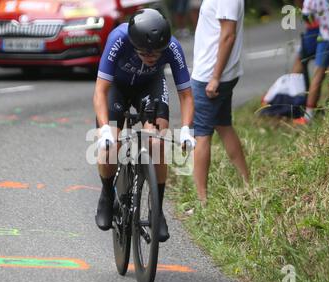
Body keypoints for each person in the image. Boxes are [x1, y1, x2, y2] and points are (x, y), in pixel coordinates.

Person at [93, 8, 196, 242]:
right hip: (117, 89)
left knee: (157, 143)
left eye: (156, 53)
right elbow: (100, 90)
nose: (151, 57)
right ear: (133, 41)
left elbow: (186, 95)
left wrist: (188, 129)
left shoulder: (173, 47)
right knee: (110, 147)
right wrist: (104, 128)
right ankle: (107, 194)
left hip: (150, 87)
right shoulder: (118, 39)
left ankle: (157, 211)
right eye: (144, 52)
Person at [191, 0, 249, 205]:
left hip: (210, 76)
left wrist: (215, 77)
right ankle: (247, 184)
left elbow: (228, 35)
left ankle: (202, 200)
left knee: (201, 135)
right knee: (223, 126)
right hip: (220, 74)